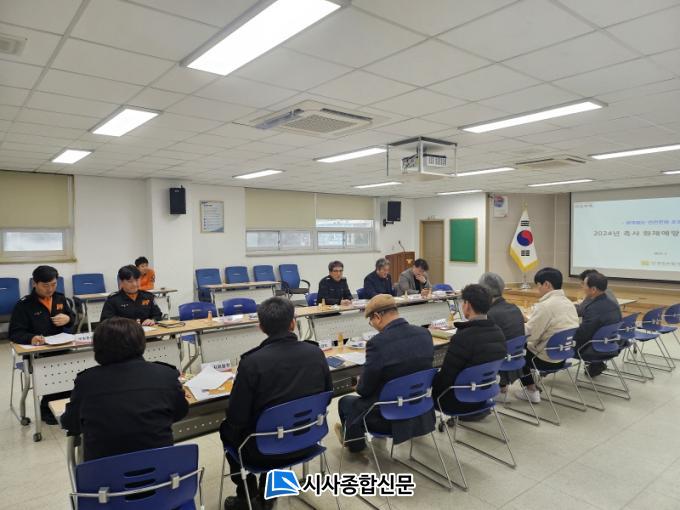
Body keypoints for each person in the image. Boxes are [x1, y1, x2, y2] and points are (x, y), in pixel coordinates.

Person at [220, 297, 332, 510]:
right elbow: (327, 395)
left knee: (227, 429)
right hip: (309, 439)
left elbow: (237, 417)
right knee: (276, 426)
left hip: (263, 452)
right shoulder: (315, 353)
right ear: (293, 323)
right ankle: (269, 491)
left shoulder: (251, 363)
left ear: (261, 327)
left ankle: (246, 495)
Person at [60, 317, 188, 460]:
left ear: (97, 347)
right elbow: (180, 412)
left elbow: (70, 423)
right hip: (162, 469)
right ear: (141, 343)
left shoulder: (86, 382)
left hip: (106, 473)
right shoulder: (165, 375)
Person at [337, 294, 434, 453]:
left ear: (377, 316)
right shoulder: (424, 333)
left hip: (389, 417)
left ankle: (356, 446)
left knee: (345, 401)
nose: (373, 326)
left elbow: (364, 390)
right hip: (420, 408)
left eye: (371, 321)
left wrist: (359, 384)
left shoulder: (378, 343)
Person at [9, 265, 76, 424]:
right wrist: (31, 338)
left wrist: (68, 319)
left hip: (61, 348)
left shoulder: (60, 299)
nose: (50, 289)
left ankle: (65, 405)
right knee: (56, 370)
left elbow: (72, 319)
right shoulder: (24, 305)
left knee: (73, 368)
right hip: (37, 352)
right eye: (45, 285)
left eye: (53, 284)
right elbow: (15, 333)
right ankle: (47, 408)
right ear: (35, 283)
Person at [433, 284, 507, 417]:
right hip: (484, 396)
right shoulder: (499, 332)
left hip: (456, 401)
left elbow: (446, 378)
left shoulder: (462, 337)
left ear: (467, 305)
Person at [515, 267, 579, 404]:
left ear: (547, 284)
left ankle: (531, 391)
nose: (538, 290)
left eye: (538, 286)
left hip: (544, 359)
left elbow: (529, 335)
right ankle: (532, 386)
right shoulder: (569, 303)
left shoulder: (545, 306)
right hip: (562, 356)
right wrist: (530, 321)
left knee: (515, 352)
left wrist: (519, 321)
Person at [478, 272, 524, 402]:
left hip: (499, 363)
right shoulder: (515, 308)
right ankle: (501, 388)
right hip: (515, 360)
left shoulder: (490, 314)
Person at [574, 272, 622, 377]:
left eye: (584, 284)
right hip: (611, 343)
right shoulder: (612, 303)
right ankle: (596, 366)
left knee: (559, 340)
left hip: (594, 348)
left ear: (593, 289)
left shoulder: (593, 308)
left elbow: (583, 334)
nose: (582, 287)